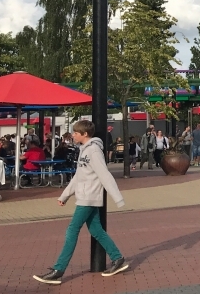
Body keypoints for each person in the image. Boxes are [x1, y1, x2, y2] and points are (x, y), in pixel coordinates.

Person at [33, 120, 129, 284]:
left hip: (89, 197)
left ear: (85, 134)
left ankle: (59, 270)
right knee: (97, 230)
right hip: (85, 196)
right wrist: (65, 195)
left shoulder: (93, 151)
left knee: (72, 230)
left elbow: (104, 174)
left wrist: (118, 198)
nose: (73, 135)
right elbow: (78, 177)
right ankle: (117, 258)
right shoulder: (84, 151)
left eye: (76, 133)